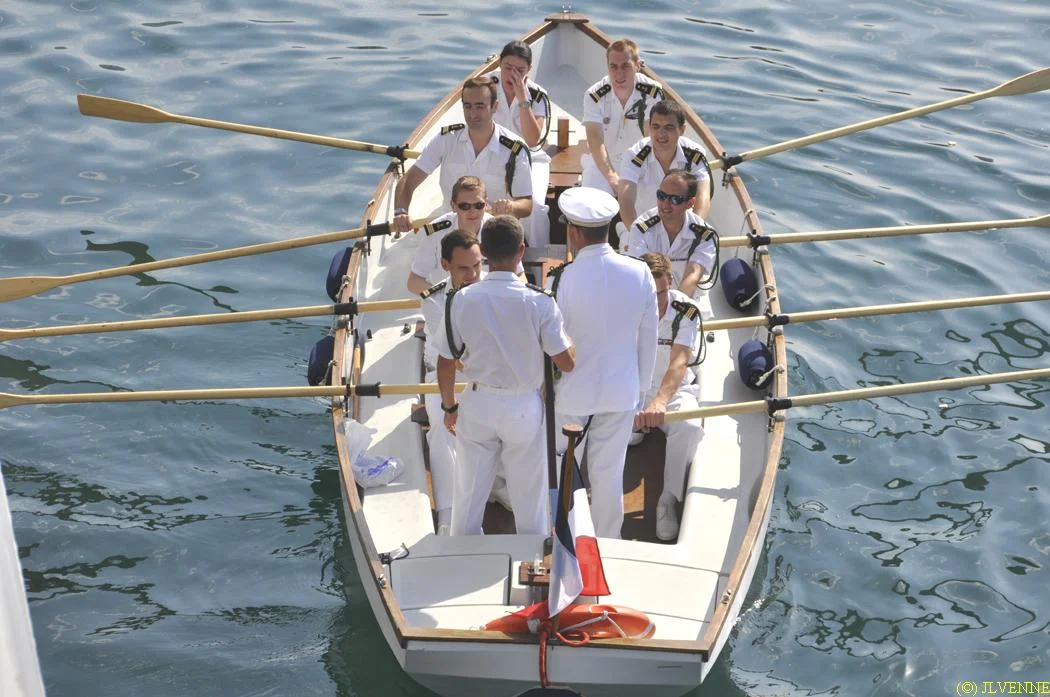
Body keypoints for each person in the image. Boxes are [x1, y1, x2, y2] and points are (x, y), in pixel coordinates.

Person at [436, 216, 576, 536]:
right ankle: (531, 562)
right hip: (524, 407)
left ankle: (463, 553)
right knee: (529, 496)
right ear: (521, 251)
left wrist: (449, 408)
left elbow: (446, 362)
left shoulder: (460, 300)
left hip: (477, 402)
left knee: (468, 494)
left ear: (483, 251)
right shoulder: (540, 301)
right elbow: (566, 363)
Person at [549, 187, 658, 539]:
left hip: (571, 395)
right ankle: (607, 545)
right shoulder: (640, 273)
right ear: (609, 228)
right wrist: (639, 392)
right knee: (609, 474)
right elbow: (648, 338)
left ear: (574, 232)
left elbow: (552, 341)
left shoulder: (560, 278)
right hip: (621, 392)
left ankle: (562, 539)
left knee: (563, 468)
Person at [393, 77, 533, 234]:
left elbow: (527, 204)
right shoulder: (446, 139)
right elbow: (408, 181)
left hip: (494, 231)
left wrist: (511, 207)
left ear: (495, 107)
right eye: (468, 106)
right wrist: (400, 212)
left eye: (480, 106)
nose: (473, 114)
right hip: (451, 228)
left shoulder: (515, 149)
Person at [634, 252, 706, 541]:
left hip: (673, 392)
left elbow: (679, 361)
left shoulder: (685, 310)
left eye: (662, 292)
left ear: (670, 282)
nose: (658, 301)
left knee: (689, 427)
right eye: (651, 294)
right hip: (634, 391)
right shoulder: (625, 305)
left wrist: (660, 400)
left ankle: (667, 500)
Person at [419, 230, 484, 535]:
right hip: (446, 378)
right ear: (446, 266)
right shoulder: (433, 301)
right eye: (463, 268)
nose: (472, 275)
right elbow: (454, 358)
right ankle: (448, 515)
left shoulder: (491, 292)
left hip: (485, 379)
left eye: (477, 266)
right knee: (444, 431)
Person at [483, 40, 553, 247]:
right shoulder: (485, 86)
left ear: (529, 70)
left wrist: (523, 98)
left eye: (520, 70)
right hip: (492, 153)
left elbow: (533, 140)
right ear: (499, 64)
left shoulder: (538, 95)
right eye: (507, 68)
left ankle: (539, 256)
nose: (512, 74)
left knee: (537, 208)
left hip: (531, 158)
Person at [622, 169, 717, 318]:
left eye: (675, 200)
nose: (665, 204)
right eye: (661, 196)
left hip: (686, 300)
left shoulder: (705, 235)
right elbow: (643, 276)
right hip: (649, 298)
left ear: (690, 203)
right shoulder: (641, 228)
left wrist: (673, 312)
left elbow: (692, 276)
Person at [580, 39, 664, 196]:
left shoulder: (652, 93)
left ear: (637, 65)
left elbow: (650, 136)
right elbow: (595, 140)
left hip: (641, 163)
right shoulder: (594, 95)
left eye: (626, 66)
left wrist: (631, 176)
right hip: (602, 164)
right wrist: (613, 179)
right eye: (613, 66)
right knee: (591, 205)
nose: (619, 73)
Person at [618, 100, 712, 225]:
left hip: (681, 226)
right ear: (649, 127)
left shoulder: (695, 154)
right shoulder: (635, 155)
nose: (661, 134)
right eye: (655, 127)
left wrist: (694, 228)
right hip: (641, 225)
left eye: (668, 128)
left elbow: (703, 196)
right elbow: (626, 201)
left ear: (682, 130)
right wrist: (638, 234)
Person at [407, 176, 492, 295]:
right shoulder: (436, 231)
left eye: (478, 205)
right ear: (453, 206)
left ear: (486, 204)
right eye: (465, 206)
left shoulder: (496, 231)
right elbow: (414, 281)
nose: (472, 211)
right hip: (447, 302)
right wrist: (447, 299)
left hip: (486, 301)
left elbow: (517, 274)